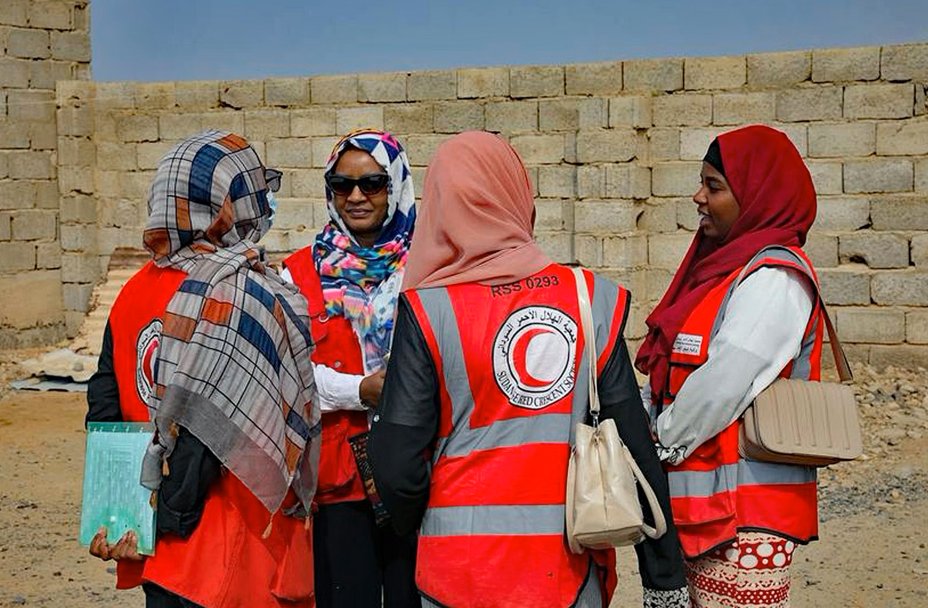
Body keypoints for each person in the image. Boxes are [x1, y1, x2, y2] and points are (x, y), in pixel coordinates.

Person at [367, 131, 689, 608]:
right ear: (518, 196)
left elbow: (397, 465)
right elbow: (633, 442)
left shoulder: (429, 310)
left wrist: (428, 517)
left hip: (458, 571)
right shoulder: (588, 297)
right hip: (566, 565)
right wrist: (664, 579)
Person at [86, 130, 319, 608]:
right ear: (226, 206)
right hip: (226, 546)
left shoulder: (132, 290)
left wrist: (119, 510)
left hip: (151, 537)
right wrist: (173, 514)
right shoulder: (235, 292)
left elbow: (105, 402)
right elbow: (205, 424)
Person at [635, 124, 823, 608]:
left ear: (758, 197)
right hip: (708, 512)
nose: (698, 197)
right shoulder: (725, 272)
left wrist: (656, 440)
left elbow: (724, 381)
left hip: (745, 519)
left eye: (714, 186)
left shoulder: (775, 279)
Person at [281, 128, 418, 608]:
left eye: (373, 184)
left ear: (396, 185)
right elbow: (287, 376)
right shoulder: (296, 274)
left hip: (417, 475)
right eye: (343, 185)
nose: (357, 197)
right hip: (338, 482)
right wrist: (361, 389)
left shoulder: (430, 268)